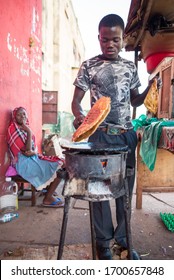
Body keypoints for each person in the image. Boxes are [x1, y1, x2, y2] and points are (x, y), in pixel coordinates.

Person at [71, 14, 159, 260]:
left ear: (122, 40)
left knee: (124, 191)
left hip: (126, 137)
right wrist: (81, 118)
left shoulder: (130, 67)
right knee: (98, 190)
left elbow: (134, 100)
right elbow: (76, 102)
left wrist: (150, 87)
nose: (110, 44)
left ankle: (123, 240)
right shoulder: (89, 66)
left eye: (115, 40)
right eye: (105, 39)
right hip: (98, 138)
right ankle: (102, 242)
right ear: (98, 38)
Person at [6, 107, 65, 208]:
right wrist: (28, 131)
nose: (22, 117)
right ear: (14, 117)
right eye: (19, 115)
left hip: (32, 159)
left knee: (60, 162)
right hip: (23, 164)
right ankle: (48, 198)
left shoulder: (24, 128)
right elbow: (27, 152)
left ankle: (47, 190)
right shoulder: (12, 129)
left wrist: (33, 152)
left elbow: (32, 151)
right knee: (59, 167)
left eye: (24, 114)